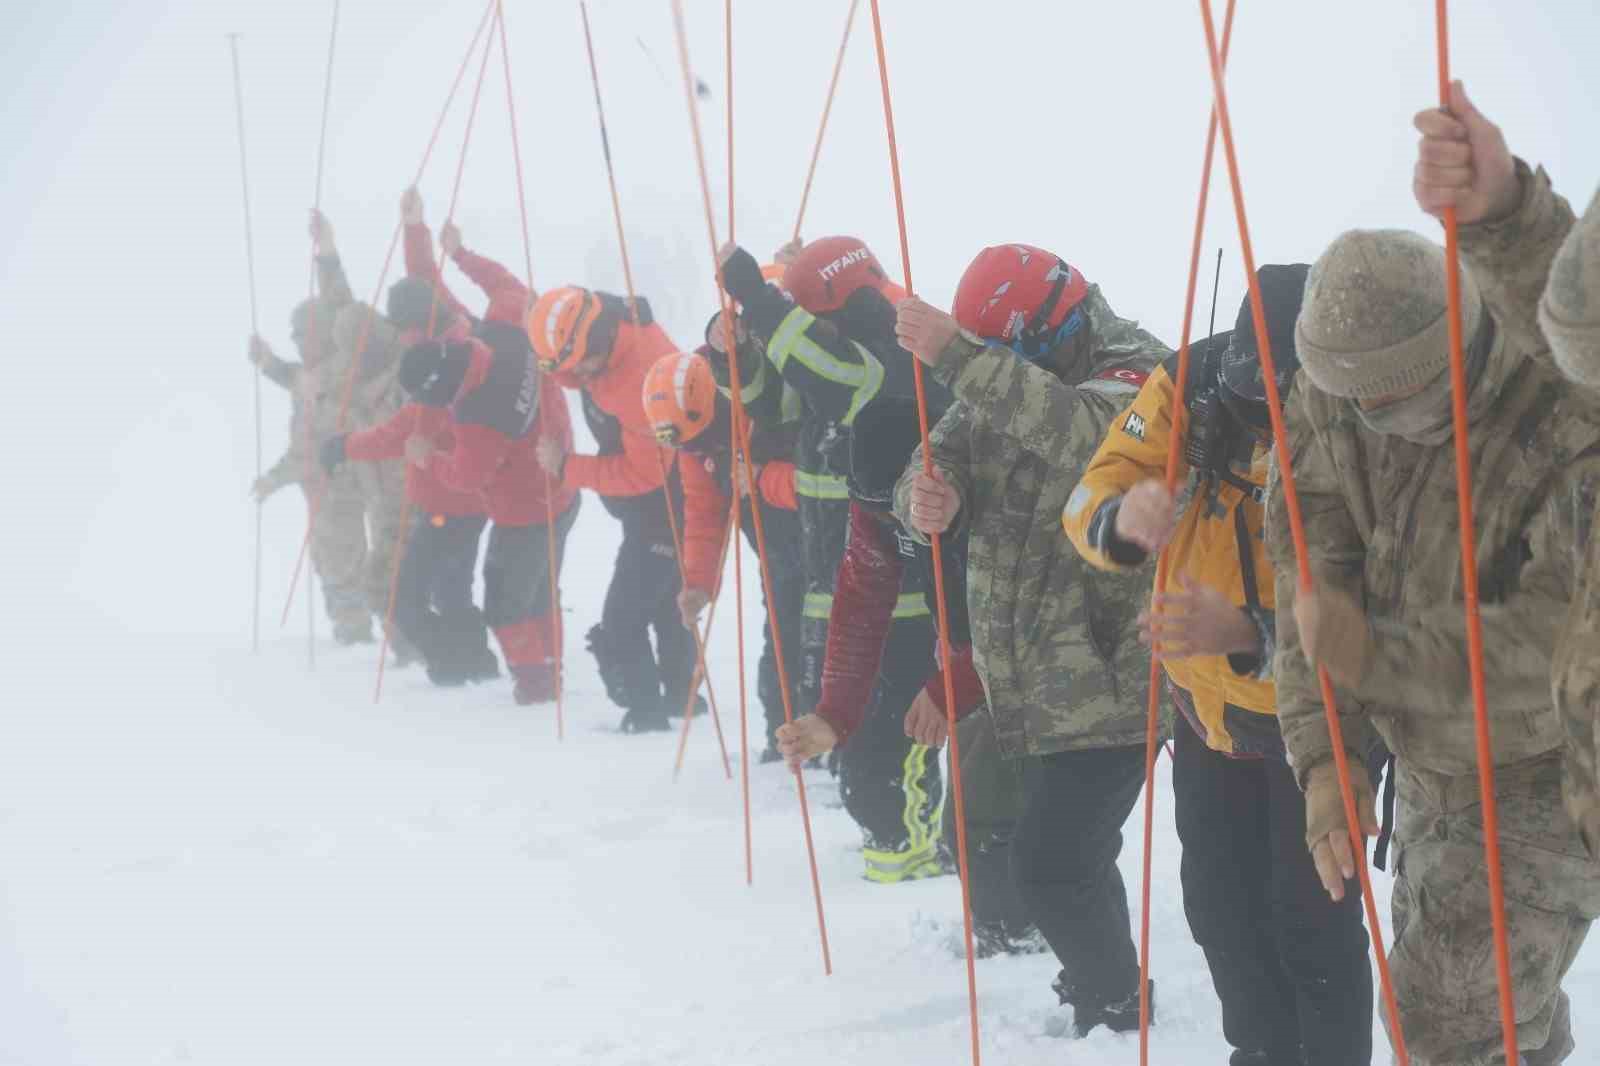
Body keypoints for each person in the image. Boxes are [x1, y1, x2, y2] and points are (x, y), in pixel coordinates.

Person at [1284, 82, 1600, 1065]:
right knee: (1498, 1019)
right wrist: (1323, 751)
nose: (1358, 417)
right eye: (1343, 398)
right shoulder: (1328, 399)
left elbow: (1557, 632)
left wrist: (1375, 653)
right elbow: (1313, 563)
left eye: (1385, 398)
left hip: (1545, 767)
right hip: (1427, 767)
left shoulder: (1555, 406)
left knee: (1447, 1023)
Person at [1063, 266, 1376, 1066]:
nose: (1263, 425)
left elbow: (1385, 615)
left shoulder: (1373, 420)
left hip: (1315, 728)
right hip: (1203, 715)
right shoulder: (1190, 385)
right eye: (1252, 401)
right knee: (1219, 910)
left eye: (1284, 405)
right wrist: (1122, 523)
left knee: (1311, 920)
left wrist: (1248, 632)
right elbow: (1091, 492)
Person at [892, 244, 1166, 1035]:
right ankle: (1108, 992)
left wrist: (956, 355)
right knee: (1074, 856)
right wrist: (926, 498)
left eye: (1004, 350)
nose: (993, 367)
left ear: (1054, 327)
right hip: (1037, 683)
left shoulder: (1143, 370)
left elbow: (1083, 431)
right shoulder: (1000, 380)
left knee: (1050, 864)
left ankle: (1117, 999)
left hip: (1119, 675)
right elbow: (936, 451)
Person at [712, 240, 949, 884]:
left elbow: (833, 374)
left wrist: (759, 300)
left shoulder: (890, 355)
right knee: (859, 748)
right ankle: (898, 852)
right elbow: (771, 399)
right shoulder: (842, 356)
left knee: (893, 749)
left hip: (902, 598)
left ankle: (914, 862)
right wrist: (727, 349)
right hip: (843, 587)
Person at [780, 396, 1041, 938]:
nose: (883, 520)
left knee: (1000, 811)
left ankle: (1033, 939)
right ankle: (1005, 929)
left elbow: (1028, 611)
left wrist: (955, 686)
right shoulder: (874, 503)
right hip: (973, 660)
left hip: (1055, 661)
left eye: (894, 506)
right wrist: (834, 713)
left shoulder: (994, 489)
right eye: (874, 508)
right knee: (969, 816)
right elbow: (859, 601)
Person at [362, 191, 578, 705]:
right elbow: (478, 289)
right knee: (538, 590)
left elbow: (466, 474)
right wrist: (454, 251)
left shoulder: (479, 415)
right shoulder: (505, 329)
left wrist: (425, 457)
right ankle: (547, 669)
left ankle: (535, 681)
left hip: (523, 504)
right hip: (562, 483)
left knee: (504, 600)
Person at [528, 285, 691, 732]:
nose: (572, 374)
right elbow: (576, 366)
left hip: (668, 506)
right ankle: (682, 697)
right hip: (661, 504)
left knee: (623, 619)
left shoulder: (638, 381)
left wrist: (567, 467)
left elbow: (644, 475)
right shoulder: (604, 324)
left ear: (594, 347)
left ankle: (647, 715)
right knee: (664, 607)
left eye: (574, 363)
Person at [644, 349, 805, 754]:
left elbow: (827, 485)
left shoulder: (765, 403)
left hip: (826, 545)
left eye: (694, 440)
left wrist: (761, 478)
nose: (692, 450)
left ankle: (837, 749)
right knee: (782, 640)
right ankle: (783, 740)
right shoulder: (693, 446)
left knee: (826, 646)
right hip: (776, 552)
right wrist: (697, 581)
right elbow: (702, 511)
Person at [250, 210, 370, 645]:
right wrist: (268, 364)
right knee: (329, 560)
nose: (299, 342)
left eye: (304, 335)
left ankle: (362, 637)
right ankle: (349, 633)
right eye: (295, 338)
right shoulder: (306, 378)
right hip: (321, 490)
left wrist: (327, 250)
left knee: (346, 559)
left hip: (351, 485)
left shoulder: (347, 363)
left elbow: (340, 301)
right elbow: (302, 438)